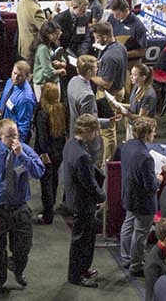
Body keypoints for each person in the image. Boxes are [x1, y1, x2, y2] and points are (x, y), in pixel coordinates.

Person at [0, 118, 42, 297]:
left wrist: (22, 156)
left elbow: (39, 171)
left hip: (20, 208)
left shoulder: (24, 149)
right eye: (9, 136)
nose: (14, 140)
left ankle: (17, 267)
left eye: (16, 135)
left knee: (23, 247)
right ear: (0, 135)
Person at [61, 114, 103, 287]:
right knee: (81, 241)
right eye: (94, 132)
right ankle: (76, 276)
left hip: (75, 200)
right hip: (83, 204)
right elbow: (89, 183)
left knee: (85, 238)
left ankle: (83, 269)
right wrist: (102, 196)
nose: (95, 135)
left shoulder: (71, 144)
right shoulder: (82, 155)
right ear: (86, 131)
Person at [117, 117, 158, 276]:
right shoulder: (146, 157)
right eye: (153, 132)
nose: (154, 134)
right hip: (143, 202)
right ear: (147, 134)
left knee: (128, 225)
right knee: (140, 233)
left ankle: (125, 258)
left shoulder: (127, 146)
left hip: (129, 195)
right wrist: (158, 180)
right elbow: (151, 186)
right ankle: (136, 265)